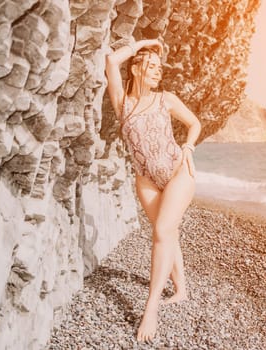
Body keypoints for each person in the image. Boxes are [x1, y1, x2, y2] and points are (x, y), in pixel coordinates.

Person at [105, 38, 202, 342]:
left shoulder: (166, 99)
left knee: (161, 230)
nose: (158, 72)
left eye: (160, 69)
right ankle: (181, 289)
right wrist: (145, 44)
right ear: (136, 68)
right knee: (167, 232)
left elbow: (194, 123)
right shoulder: (124, 104)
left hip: (178, 172)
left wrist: (188, 147)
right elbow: (110, 62)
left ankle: (151, 310)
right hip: (146, 179)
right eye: (152, 67)